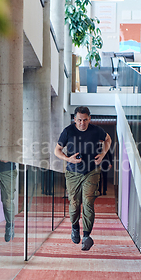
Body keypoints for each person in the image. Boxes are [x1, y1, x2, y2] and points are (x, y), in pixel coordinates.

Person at [54, 106, 111, 251]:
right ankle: (74, 227)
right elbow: (57, 150)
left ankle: (86, 235)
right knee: (74, 203)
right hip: (73, 173)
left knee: (88, 201)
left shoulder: (96, 130)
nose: (82, 123)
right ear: (75, 119)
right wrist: (68, 159)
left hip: (91, 171)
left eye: (85, 120)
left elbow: (107, 139)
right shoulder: (68, 131)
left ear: (89, 119)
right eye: (79, 120)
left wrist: (103, 154)